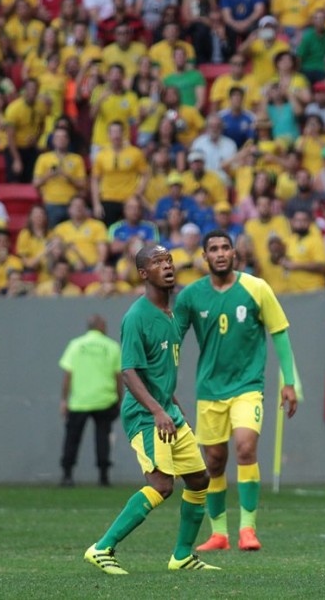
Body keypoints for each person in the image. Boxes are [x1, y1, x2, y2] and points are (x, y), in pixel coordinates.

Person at [84, 245, 217, 575]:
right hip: (146, 415)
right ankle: (101, 548)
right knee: (162, 485)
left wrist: (173, 406)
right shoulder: (137, 317)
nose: (167, 266)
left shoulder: (171, 315)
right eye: (158, 262)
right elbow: (129, 372)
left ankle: (182, 556)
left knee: (200, 479)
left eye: (169, 260)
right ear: (143, 274)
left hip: (167, 410)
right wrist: (158, 411)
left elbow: (160, 372)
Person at [173, 230, 299, 552]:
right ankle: (218, 534)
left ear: (234, 253)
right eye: (213, 249)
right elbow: (173, 339)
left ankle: (247, 529)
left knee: (245, 447)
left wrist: (289, 381)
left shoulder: (256, 288)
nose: (219, 253)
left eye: (225, 248)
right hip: (210, 390)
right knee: (214, 462)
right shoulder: (190, 296)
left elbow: (279, 332)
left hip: (247, 386)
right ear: (204, 257)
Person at [59, 315, 122, 488]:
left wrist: (64, 399)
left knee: (72, 438)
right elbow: (119, 376)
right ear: (101, 326)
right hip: (104, 398)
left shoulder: (76, 345)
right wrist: (119, 399)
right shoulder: (112, 346)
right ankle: (103, 476)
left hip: (79, 400)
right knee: (102, 438)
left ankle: (67, 475)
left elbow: (68, 375)